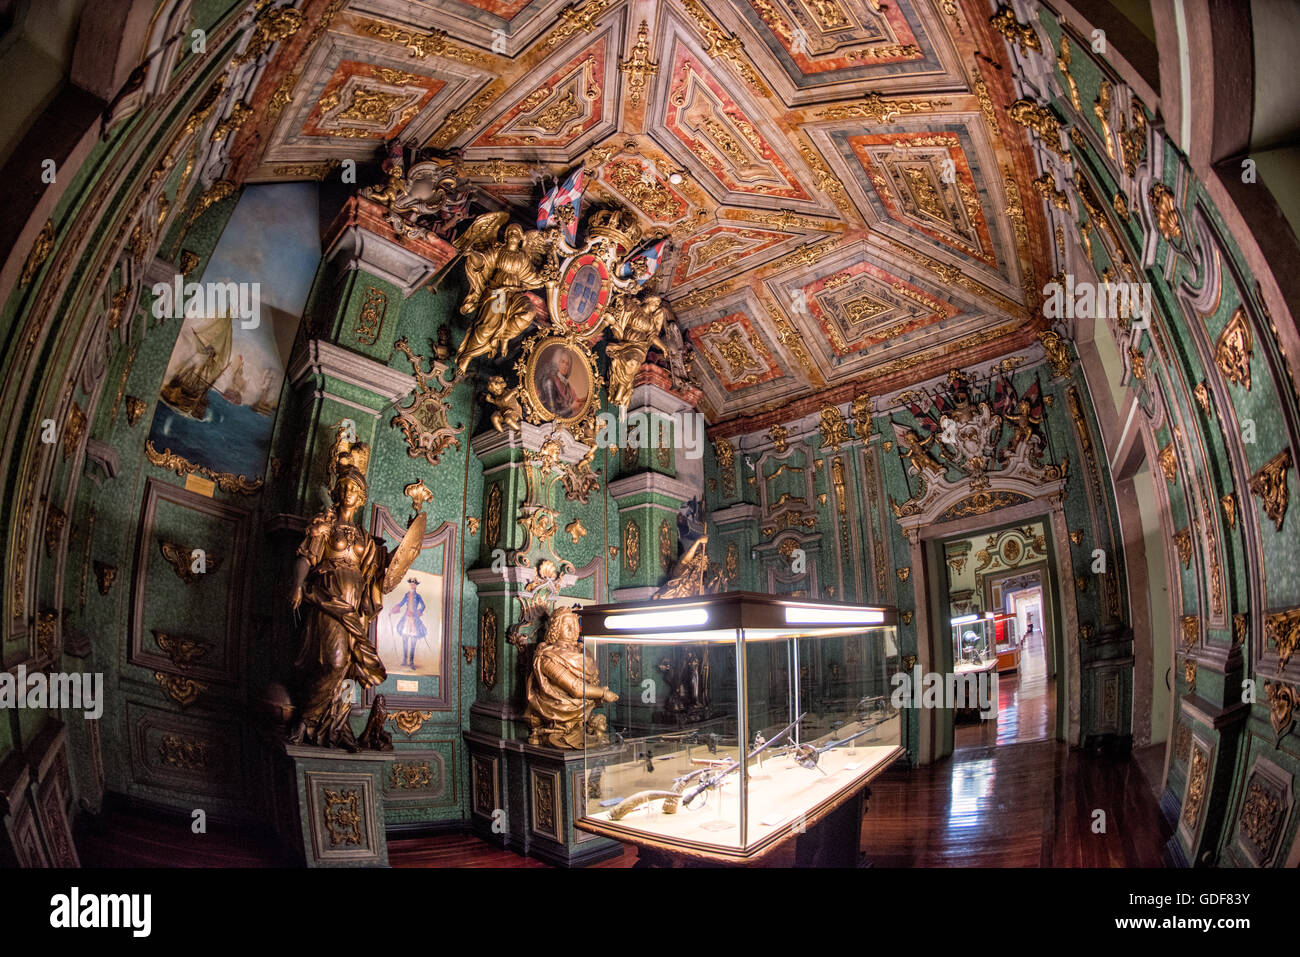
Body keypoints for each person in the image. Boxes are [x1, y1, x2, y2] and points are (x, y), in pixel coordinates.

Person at [390, 578, 427, 670]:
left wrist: (417, 612)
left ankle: (411, 662)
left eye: (414, 584)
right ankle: (404, 660)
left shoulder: (418, 596)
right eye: (411, 584)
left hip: (414, 619)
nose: (412, 585)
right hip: (406, 619)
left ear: (416, 586)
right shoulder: (406, 595)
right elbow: (401, 603)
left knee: (413, 642)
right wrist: (392, 611)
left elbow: (423, 606)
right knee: (405, 640)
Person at [537, 348, 582, 419]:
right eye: (562, 362)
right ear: (556, 362)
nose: (565, 366)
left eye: (567, 364)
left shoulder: (567, 385)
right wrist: (571, 409)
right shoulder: (549, 381)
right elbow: (552, 414)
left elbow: (574, 401)